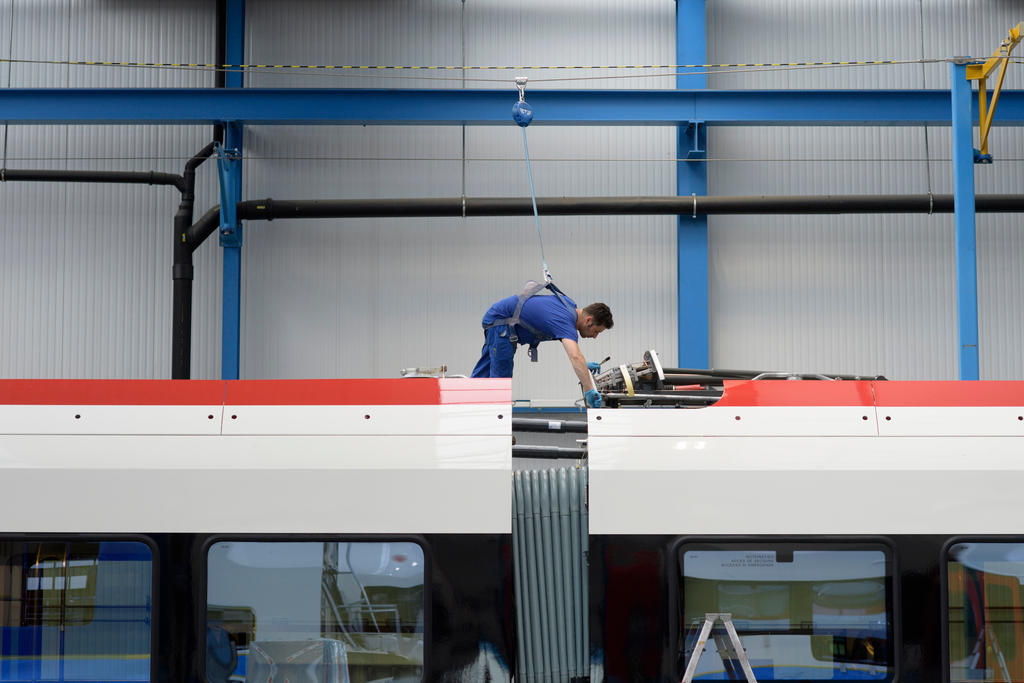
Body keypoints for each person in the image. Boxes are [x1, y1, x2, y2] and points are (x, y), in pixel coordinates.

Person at [470, 281, 613, 408]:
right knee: (500, 383)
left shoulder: (570, 307)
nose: (595, 337)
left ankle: (467, 410)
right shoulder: (565, 320)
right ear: (588, 320)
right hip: (501, 324)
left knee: (483, 375)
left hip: (497, 319)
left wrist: (584, 365)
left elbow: (573, 353)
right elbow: (575, 357)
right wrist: (589, 390)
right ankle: (495, 428)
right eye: (596, 331)